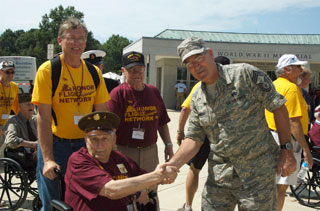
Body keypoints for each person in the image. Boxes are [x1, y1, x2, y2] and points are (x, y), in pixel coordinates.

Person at [165, 37, 297, 211]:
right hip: (220, 177)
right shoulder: (197, 97)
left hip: (257, 175)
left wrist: (286, 151)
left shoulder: (246, 74)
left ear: (210, 54)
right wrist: (172, 165)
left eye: (198, 58)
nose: (195, 67)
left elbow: (278, 108)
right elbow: (193, 140)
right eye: (189, 64)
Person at [31, 17, 109, 210]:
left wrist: (107, 148)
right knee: (51, 204)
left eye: (81, 38)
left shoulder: (93, 73)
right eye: (71, 38)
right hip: (56, 145)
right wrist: (48, 159)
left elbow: (102, 114)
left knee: (82, 202)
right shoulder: (48, 70)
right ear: (60, 40)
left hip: (85, 147)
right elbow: (43, 117)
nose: (77, 43)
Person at [64, 111, 177, 211]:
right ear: (85, 140)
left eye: (105, 139)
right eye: (94, 139)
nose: (100, 146)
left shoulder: (117, 158)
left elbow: (143, 176)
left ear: (114, 140)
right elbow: (111, 190)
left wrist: (144, 188)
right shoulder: (78, 161)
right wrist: (157, 176)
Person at [106, 51, 174, 208]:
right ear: (123, 71)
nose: (137, 74)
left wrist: (169, 145)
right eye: (131, 70)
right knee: (128, 195)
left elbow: (162, 122)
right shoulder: (118, 94)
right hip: (125, 152)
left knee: (150, 194)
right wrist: (116, 156)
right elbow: (110, 129)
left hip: (150, 152)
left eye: (140, 70)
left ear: (145, 70)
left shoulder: (153, 92)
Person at [177, 56, 230, 211]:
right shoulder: (233, 86)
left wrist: (180, 131)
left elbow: (185, 109)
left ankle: (188, 205)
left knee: (194, 169)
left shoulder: (201, 85)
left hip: (203, 136)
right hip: (221, 137)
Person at [265, 54, 313, 211]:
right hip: (287, 142)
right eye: (298, 67)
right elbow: (294, 122)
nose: (301, 70)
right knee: (280, 187)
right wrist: (306, 150)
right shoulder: (291, 88)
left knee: (272, 186)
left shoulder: (273, 85)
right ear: (286, 69)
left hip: (272, 137)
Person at [4, 93, 37, 169]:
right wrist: (32, 144)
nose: (31, 106)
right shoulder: (14, 121)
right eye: (28, 104)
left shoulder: (35, 120)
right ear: (20, 106)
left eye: (32, 104)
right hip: (24, 155)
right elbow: (11, 141)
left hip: (37, 151)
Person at [0, 60, 19, 157]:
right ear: (1, 72)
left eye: (12, 72)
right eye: (7, 72)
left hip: (5, 123)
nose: (10, 75)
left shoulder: (14, 87)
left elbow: (16, 107)